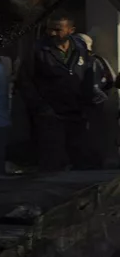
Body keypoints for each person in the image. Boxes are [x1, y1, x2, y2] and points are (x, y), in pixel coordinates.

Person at [19, 16, 102, 171]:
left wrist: (88, 104)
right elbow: (25, 82)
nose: (52, 33)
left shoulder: (80, 48)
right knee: (53, 161)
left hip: (77, 114)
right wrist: (41, 108)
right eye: (50, 29)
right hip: (51, 115)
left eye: (58, 29)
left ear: (71, 30)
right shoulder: (37, 50)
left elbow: (87, 77)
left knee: (82, 159)